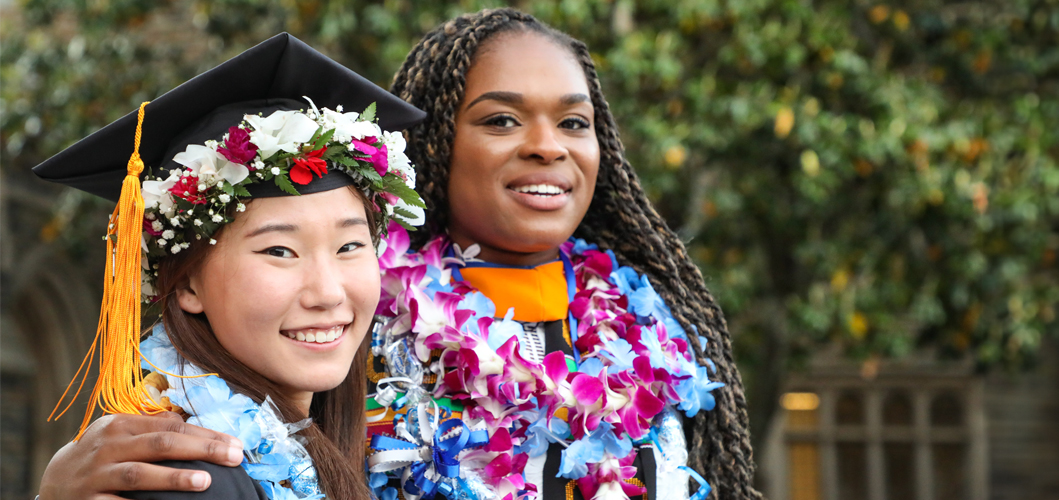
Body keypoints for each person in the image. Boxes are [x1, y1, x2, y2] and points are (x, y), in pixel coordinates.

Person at [36, 9, 761, 500]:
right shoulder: (378, 333)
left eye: (574, 120)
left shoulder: (659, 331)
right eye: (501, 119)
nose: (327, 288)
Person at [31, 33, 426, 499]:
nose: (328, 292)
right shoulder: (191, 477)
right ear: (187, 284)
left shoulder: (349, 452)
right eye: (280, 251)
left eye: (349, 246)